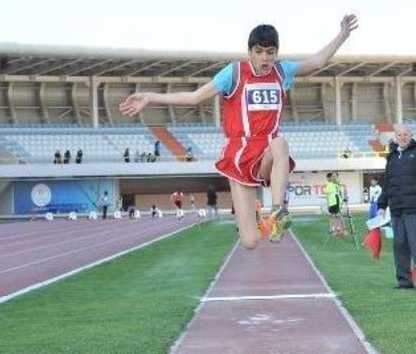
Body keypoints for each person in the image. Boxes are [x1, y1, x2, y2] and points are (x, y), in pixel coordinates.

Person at [120, 14, 359, 248]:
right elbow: (194, 98)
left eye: (270, 52)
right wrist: (150, 96)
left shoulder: (283, 71)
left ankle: (277, 212)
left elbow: (317, 62)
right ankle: (259, 217)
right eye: (259, 52)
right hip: (239, 154)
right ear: (250, 52)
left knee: (280, 143)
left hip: (267, 150)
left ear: (276, 53)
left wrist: (342, 35)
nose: (265, 58)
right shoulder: (233, 73)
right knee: (250, 242)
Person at [376, 125, 416, 290]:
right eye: (399, 135)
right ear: (395, 137)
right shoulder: (392, 157)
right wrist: (382, 204)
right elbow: (387, 183)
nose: (402, 137)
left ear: (411, 136)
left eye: (405, 134)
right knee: (400, 246)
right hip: (397, 209)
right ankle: (404, 281)